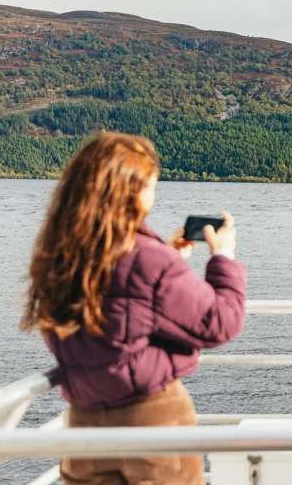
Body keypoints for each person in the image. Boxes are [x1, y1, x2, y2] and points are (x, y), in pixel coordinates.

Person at [22, 133, 247, 485]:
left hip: (84, 426)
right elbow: (220, 322)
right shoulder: (148, 260)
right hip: (152, 423)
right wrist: (223, 258)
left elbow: (118, 314)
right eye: (151, 186)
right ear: (131, 190)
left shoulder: (62, 255)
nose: (152, 198)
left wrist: (168, 257)